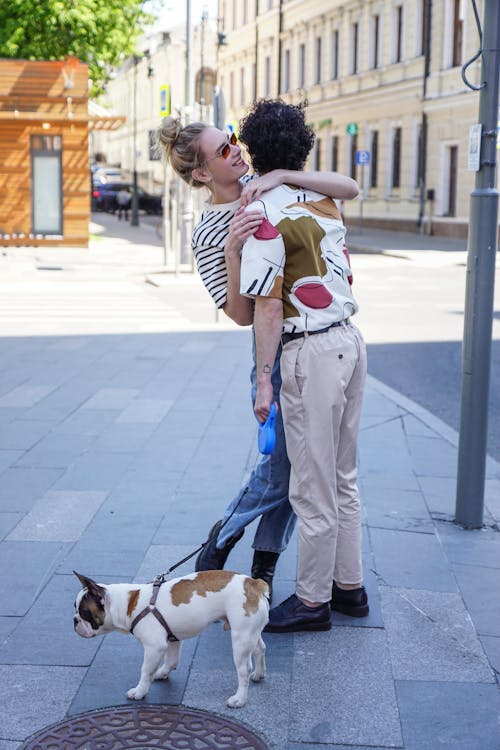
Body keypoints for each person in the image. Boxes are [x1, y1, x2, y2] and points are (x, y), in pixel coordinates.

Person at [157, 116, 358, 601]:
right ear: (203, 174)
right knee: (284, 471)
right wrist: (232, 247)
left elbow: (347, 186)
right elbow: (241, 315)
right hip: (274, 356)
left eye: (233, 141)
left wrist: (283, 175)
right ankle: (222, 537)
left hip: (313, 347)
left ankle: (264, 567)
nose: (236, 151)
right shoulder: (208, 231)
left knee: (297, 471)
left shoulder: (263, 185)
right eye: (222, 151)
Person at [238, 99, 368, 632]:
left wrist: (264, 380)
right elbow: (352, 185)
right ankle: (349, 588)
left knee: (311, 486)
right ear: (302, 147)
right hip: (350, 344)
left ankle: (313, 601)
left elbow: (266, 306)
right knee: (343, 476)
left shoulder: (261, 212)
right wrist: (289, 174)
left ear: (252, 152)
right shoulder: (322, 194)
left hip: (309, 350)